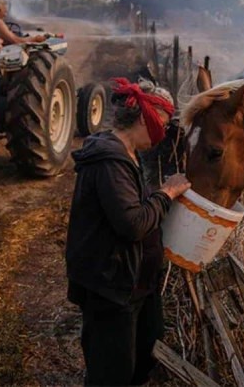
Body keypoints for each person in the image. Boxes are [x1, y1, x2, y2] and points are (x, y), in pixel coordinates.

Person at [65, 78, 191, 386]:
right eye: (159, 124)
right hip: (112, 284)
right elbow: (132, 224)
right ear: (141, 118)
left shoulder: (128, 155)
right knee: (112, 371)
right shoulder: (111, 161)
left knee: (144, 353)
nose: (161, 135)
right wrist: (166, 195)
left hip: (133, 282)